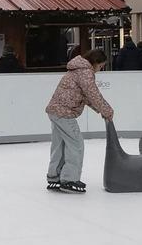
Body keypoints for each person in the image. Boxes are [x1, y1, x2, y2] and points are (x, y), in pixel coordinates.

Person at [45, 49, 114, 194]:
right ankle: (69, 180)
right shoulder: (85, 72)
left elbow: (86, 96)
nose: (99, 70)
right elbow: (93, 94)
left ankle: (54, 177)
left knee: (59, 145)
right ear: (95, 63)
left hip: (54, 111)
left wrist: (100, 110)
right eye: (100, 67)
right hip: (65, 113)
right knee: (76, 144)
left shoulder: (76, 69)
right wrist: (107, 110)